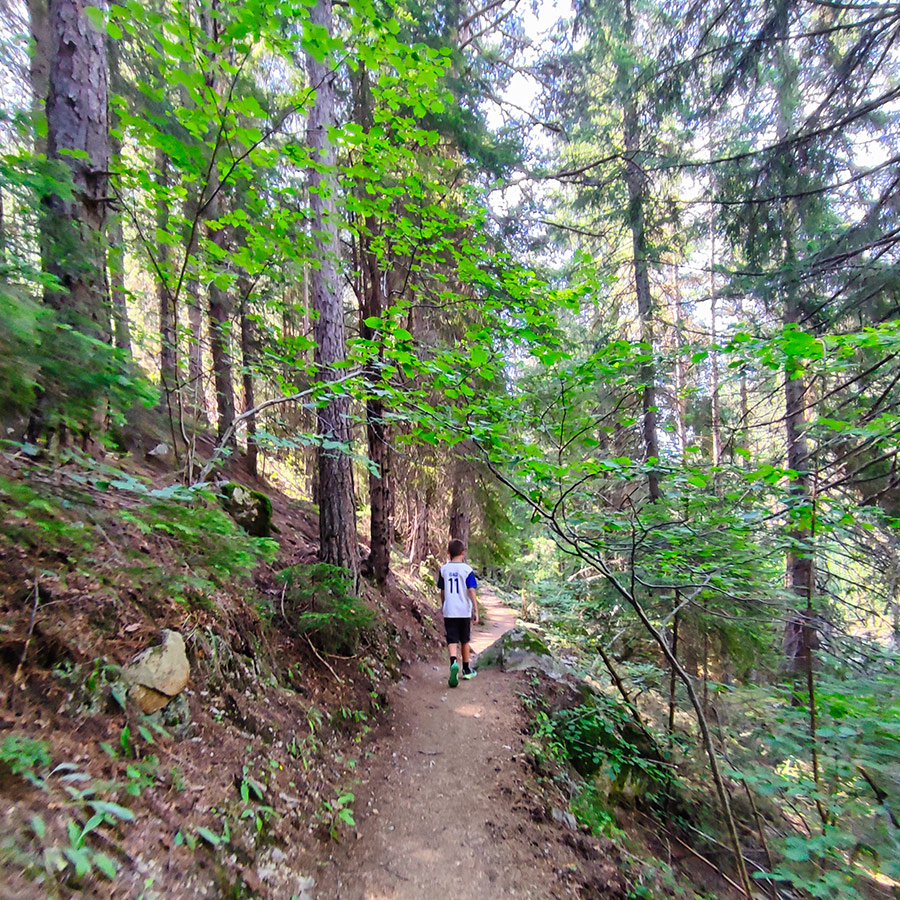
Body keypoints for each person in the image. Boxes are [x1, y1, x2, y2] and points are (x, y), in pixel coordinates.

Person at [437, 539, 479, 687]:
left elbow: (442, 591)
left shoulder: (444, 569)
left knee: (452, 639)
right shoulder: (467, 570)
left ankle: (453, 663)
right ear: (463, 553)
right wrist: (476, 610)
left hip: (450, 610)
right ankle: (466, 669)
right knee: (465, 639)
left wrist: (444, 605)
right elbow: (471, 590)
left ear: (448, 553)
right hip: (464, 611)